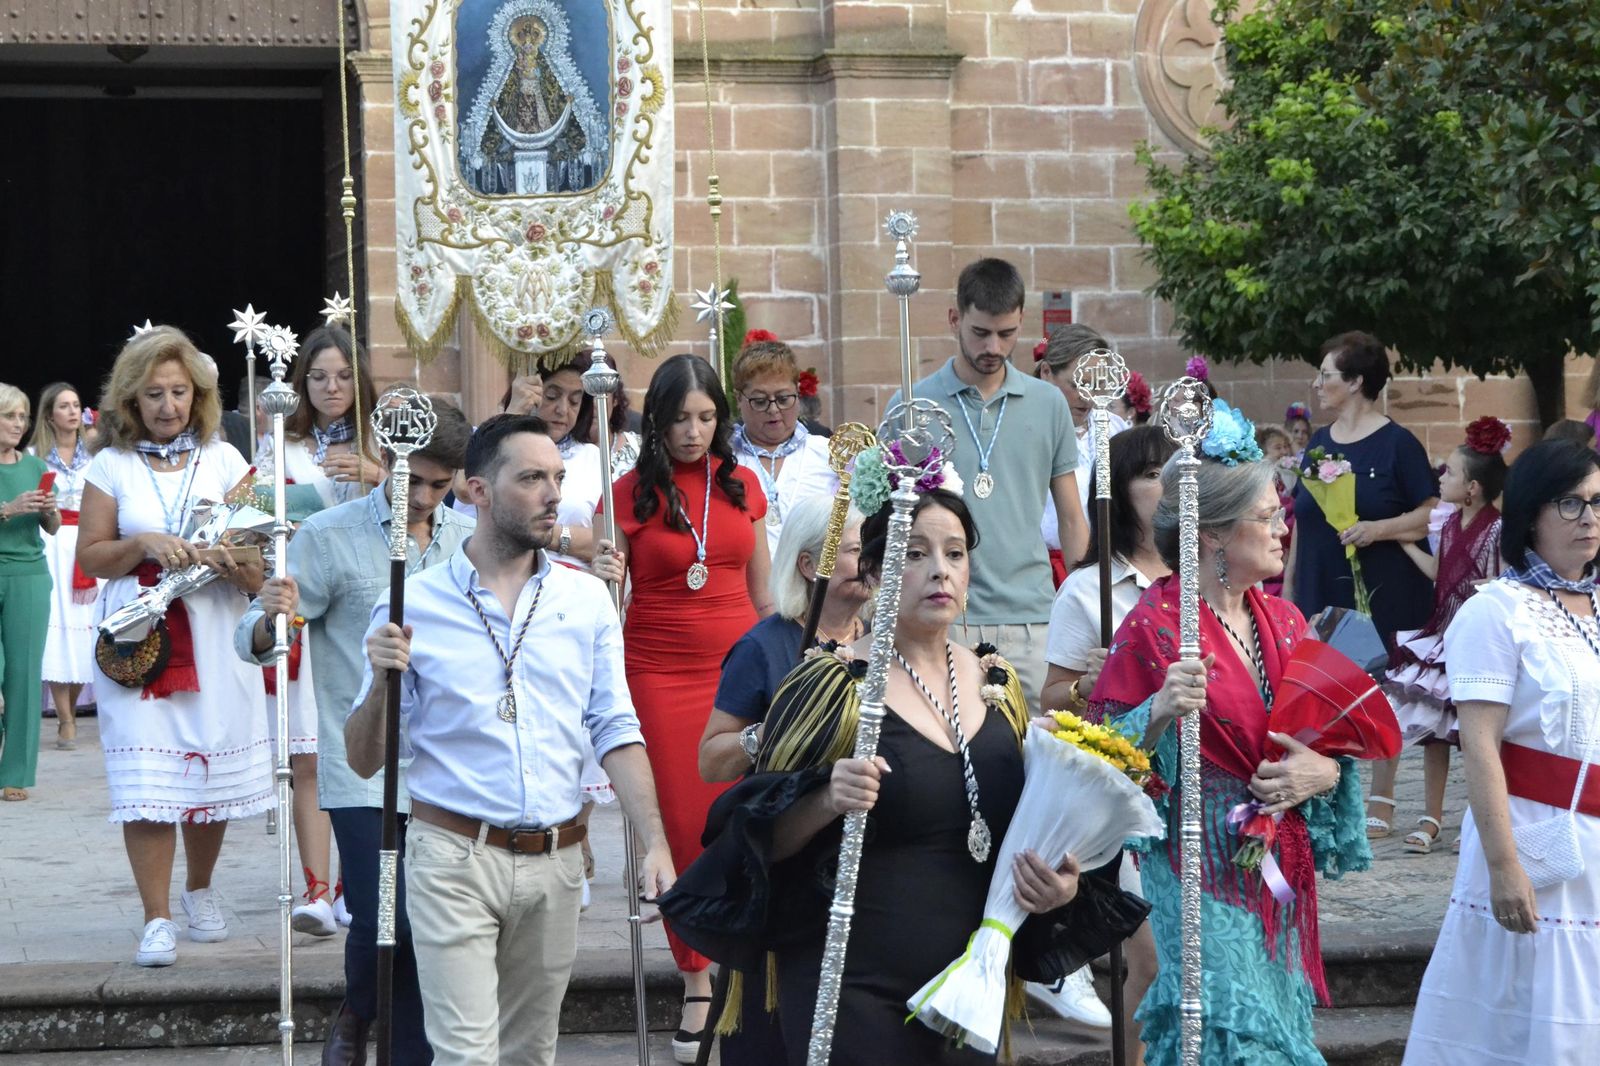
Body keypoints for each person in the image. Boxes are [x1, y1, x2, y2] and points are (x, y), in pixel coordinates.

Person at [661, 485, 1101, 1065]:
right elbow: (760, 839)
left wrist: (1057, 888)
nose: (940, 571)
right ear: (874, 572)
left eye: (955, 553)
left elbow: (1020, 829)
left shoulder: (998, 685)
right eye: (914, 554)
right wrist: (827, 798)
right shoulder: (830, 686)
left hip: (966, 985)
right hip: (853, 983)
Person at [344, 413, 675, 1066]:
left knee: (530, 1055)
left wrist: (656, 842)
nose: (554, 495)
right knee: (467, 1056)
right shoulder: (413, 602)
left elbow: (616, 726)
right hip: (454, 855)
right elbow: (363, 758)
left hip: (557, 858)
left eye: (557, 478)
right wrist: (382, 681)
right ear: (478, 491)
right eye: (531, 479)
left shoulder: (586, 600)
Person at [1087, 428, 1370, 1064]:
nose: (1283, 530)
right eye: (1266, 517)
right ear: (1212, 534)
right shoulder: (1156, 627)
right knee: (1221, 1028)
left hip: (1275, 867)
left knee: (1273, 1029)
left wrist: (1320, 773)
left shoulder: (1287, 622)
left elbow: (1330, 744)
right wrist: (1158, 711)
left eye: (1280, 514)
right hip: (1196, 864)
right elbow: (1102, 760)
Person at [235, 399, 473, 1066]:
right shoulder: (329, 533)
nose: (422, 498)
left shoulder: (468, 538)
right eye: (410, 481)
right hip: (363, 765)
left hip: (448, 765)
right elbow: (258, 636)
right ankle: (361, 1010)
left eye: (439, 484)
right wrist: (271, 615)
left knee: (430, 925)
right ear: (385, 463)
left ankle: (395, 1040)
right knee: (384, 916)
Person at [76, 326, 271, 967]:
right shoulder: (110, 465)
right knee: (147, 781)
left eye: (179, 391)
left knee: (210, 768)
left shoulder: (228, 461)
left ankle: (200, 889)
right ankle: (155, 918)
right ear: (131, 400)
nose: (168, 405)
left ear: (199, 394)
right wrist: (144, 544)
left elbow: (260, 558)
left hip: (216, 634)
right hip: (139, 638)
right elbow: (92, 557)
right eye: (154, 393)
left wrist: (228, 558)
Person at [1404, 439, 1600, 1063]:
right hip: (1534, 832)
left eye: (1598, 502)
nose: (1589, 518)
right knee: (1530, 1015)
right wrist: (1503, 865)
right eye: (1570, 503)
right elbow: (1480, 745)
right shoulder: (1497, 611)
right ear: (1531, 514)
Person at [605, 353, 774, 1061]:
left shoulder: (743, 484)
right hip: (659, 673)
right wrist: (605, 573)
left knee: (747, 815)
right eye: (680, 418)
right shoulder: (624, 492)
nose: (694, 432)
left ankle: (749, 965)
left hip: (739, 669)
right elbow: (610, 604)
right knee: (680, 825)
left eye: (706, 418)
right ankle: (697, 978)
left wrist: (783, 667)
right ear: (658, 420)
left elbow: (764, 594)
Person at [896, 258, 1088, 712]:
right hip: (945, 615)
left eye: (1007, 334)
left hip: (1033, 618)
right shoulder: (913, 405)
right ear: (954, 319)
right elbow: (894, 521)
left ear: (1021, 321)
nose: (993, 347)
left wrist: (1084, 607)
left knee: (1042, 748)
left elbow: (1071, 517)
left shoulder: (1048, 403)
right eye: (980, 332)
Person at [1038, 425, 1174, 1049]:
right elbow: (1053, 695)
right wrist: (1090, 685)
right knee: (1152, 960)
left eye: (1174, 471)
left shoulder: (1201, 578)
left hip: (1204, 784)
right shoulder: (1089, 589)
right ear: (1118, 492)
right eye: (1151, 474)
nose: (1169, 485)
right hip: (1131, 789)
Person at [254, 324, 384, 935]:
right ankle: (317, 887)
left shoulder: (383, 440)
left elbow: (431, 502)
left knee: (367, 742)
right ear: (301, 383)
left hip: (365, 608)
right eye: (319, 376)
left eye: (343, 375)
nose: (332, 387)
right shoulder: (282, 443)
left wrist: (377, 474)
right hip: (306, 603)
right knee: (308, 753)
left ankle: (360, 881)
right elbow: (250, 516)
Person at [1286, 331, 1437, 839]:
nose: (1317, 384)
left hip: (1384, 584)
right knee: (1323, 689)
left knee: (1379, 686)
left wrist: (1378, 530)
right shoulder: (1319, 443)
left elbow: (1430, 513)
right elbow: (1303, 520)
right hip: (1320, 579)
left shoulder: (1398, 444)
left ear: (1355, 382)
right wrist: (1290, 587)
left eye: (1326, 375)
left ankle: (1382, 796)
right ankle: (1330, 791)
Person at [1386, 419, 1508, 857]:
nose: (1442, 477)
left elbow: (1500, 583)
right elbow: (1440, 573)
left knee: (1476, 737)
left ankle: (1478, 817)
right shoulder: (1449, 524)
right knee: (1435, 732)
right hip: (1443, 632)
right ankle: (1431, 817)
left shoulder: (1497, 530)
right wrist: (1405, 545)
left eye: (1450, 472)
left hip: (1477, 641)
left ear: (1472, 488)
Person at [698, 493, 870, 784]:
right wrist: (769, 731)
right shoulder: (761, 647)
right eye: (856, 550)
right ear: (809, 565)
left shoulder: (883, 638)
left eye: (873, 548)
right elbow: (710, 764)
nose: (871, 562)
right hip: (790, 804)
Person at [30, 381, 97, 750]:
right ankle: (66, 718)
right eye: (64, 406)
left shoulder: (96, 455)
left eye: (76, 405)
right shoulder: (35, 457)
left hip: (88, 542)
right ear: (50, 415)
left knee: (86, 630)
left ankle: (70, 706)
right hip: (53, 543)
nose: (72, 412)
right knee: (59, 631)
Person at [0, 383, 59, 801]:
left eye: (22, 417)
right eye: (9, 416)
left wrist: (49, 512)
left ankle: (16, 774)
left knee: (23, 675)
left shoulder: (35, 465)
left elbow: (51, 529)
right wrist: (7, 509)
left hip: (30, 575)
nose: (18, 424)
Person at [729, 334, 837, 554]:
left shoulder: (828, 454)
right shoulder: (725, 459)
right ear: (739, 399)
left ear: (797, 391)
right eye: (760, 401)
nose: (773, 410)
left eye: (783, 399)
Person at [1255, 424, 1298, 596]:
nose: (1284, 452)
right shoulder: (1261, 483)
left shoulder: (1289, 479)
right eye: (1277, 447)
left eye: (1286, 446)